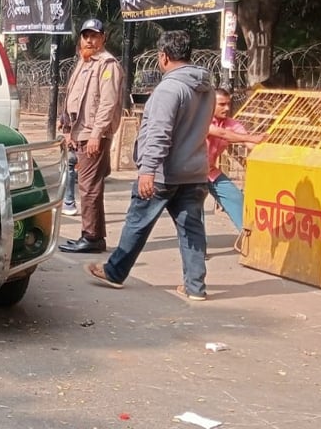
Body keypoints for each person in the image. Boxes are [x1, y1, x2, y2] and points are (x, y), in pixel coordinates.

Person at [87, 30, 214, 300]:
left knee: (137, 222)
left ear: (164, 56)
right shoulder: (205, 88)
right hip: (194, 171)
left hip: (164, 173)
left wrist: (147, 169)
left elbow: (159, 133)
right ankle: (195, 287)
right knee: (192, 230)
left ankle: (115, 272)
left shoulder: (170, 88)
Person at [59, 18, 125, 253]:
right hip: (80, 133)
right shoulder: (83, 62)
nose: (89, 40)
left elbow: (107, 103)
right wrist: (67, 130)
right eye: (86, 36)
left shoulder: (107, 65)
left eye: (94, 36)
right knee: (88, 186)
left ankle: (92, 237)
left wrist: (97, 134)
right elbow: (72, 99)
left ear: (103, 38)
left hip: (93, 134)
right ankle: (93, 235)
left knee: (89, 187)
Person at [207, 88, 266, 239]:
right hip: (190, 173)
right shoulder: (201, 120)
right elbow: (223, 134)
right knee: (193, 211)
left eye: (228, 104)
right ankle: (196, 248)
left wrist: (268, 149)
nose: (227, 108)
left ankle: (250, 240)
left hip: (210, 172)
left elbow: (248, 143)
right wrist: (253, 138)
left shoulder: (231, 124)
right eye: (222, 104)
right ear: (210, 104)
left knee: (236, 198)